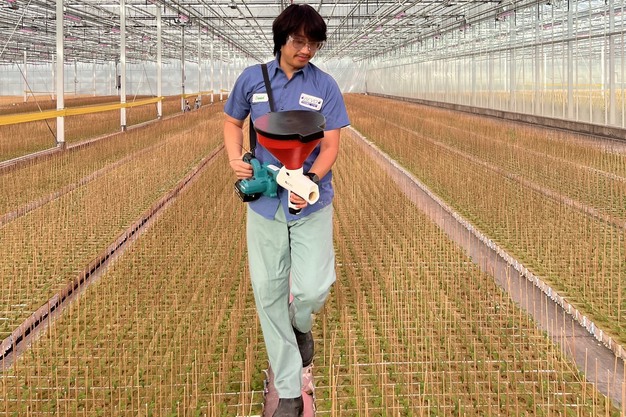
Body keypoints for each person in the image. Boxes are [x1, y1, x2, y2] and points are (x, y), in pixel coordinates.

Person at [223, 3, 349, 416]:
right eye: (299, 41)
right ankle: (289, 389)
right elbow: (232, 121)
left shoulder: (325, 86)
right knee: (268, 291)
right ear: (281, 39)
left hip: (311, 200)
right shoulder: (252, 79)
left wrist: (308, 181)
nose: (306, 49)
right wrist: (235, 157)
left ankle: (301, 323)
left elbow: (330, 145)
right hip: (265, 203)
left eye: (314, 43)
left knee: (313, 287)